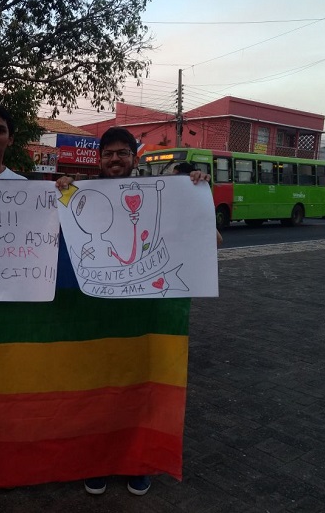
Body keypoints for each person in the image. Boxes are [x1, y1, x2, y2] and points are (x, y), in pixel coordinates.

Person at [55, 127, 211, 497]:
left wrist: (196, 191)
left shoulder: (167, 194)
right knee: (96, 393)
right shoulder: (75, 195)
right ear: (98, 159)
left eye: (121, 153)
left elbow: (208, 238)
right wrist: (59, 189)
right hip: (94, 316)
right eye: (107, 153)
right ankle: (98, 461)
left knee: (141, 391)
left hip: (145, 317)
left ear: (133, 158)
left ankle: (138, 463)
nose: (114, 159)